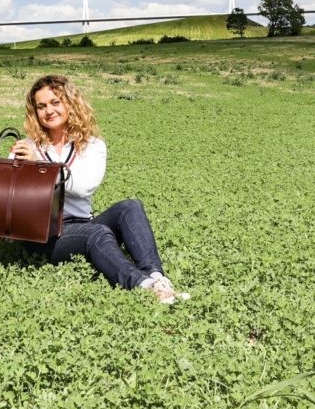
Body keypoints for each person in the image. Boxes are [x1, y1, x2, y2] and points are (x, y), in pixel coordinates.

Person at [10, 74, 189, 304]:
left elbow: (84, 187)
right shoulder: (28, 147)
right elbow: (10, 192)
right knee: (96, 233)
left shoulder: (92, 145)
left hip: (81, 224)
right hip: (43, 234)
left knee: (129, 207)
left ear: (70, 103)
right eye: (41, 106)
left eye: (56, 102)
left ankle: (156, 276)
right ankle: (143, 286)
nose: (49, 111)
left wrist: (41, 166)